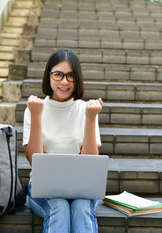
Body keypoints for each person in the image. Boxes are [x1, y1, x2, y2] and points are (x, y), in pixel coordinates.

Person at [22, 48, 103, 233]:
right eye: (58, 74)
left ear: (77, 78)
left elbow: (91, 162)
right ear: (49, 76)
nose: (64, 81)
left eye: (70, 76)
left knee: (82, 207)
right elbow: (34, 159)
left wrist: (90, 118)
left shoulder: (87, 109)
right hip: (43, 191)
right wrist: (36, 116)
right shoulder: (35, 108)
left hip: (82, 189)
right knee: (59, 206)